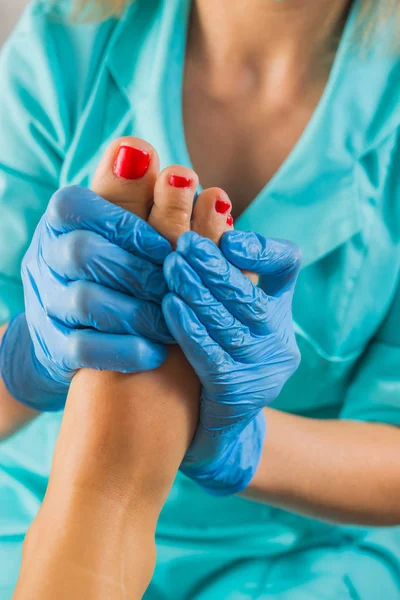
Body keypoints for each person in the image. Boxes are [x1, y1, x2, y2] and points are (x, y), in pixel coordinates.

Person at [0, 0, 400, 598]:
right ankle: (97, 495)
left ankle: (97, 500)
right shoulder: (69, 35)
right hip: (28, 500)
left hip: (286, 556)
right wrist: (26, 357)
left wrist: (245, 444)